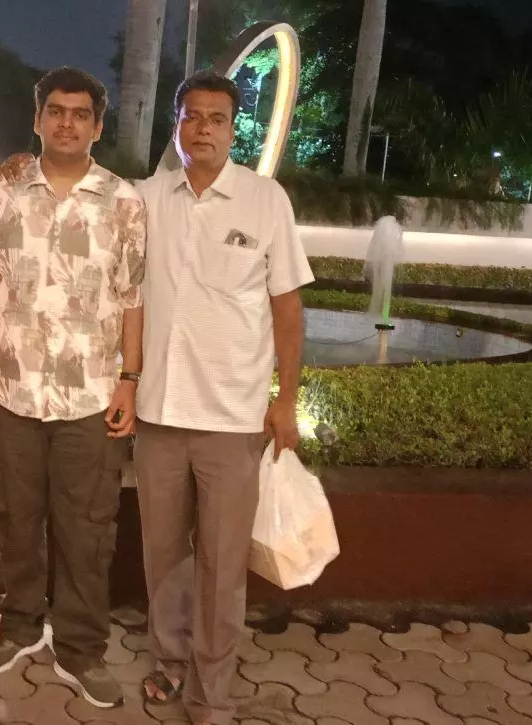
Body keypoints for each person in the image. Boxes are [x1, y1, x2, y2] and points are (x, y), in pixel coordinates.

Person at [135, 72, 313, 725]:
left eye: (217, 118)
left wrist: (285, 400)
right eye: (192, 116)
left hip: (234, 420)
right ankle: (169, 660)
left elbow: (287, 310)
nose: (203, 128)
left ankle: (210, 690)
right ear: (176, 124)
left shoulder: (265, 201)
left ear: (235, 130)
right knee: (163, 555)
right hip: (157, 413)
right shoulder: (146, 198)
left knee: (222, 563)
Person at [0, 66, 147, 710]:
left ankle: (80, 646)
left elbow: (132, 298)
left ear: (97, 127)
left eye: (80, 114)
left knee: (87, 526)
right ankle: (19, 625)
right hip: (10, 389)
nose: (67, 123)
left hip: (91, 395)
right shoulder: (2, 192)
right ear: (38, 119)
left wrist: (129, 380)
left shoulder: (123, 201)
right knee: (15, 517)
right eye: (56, 111)